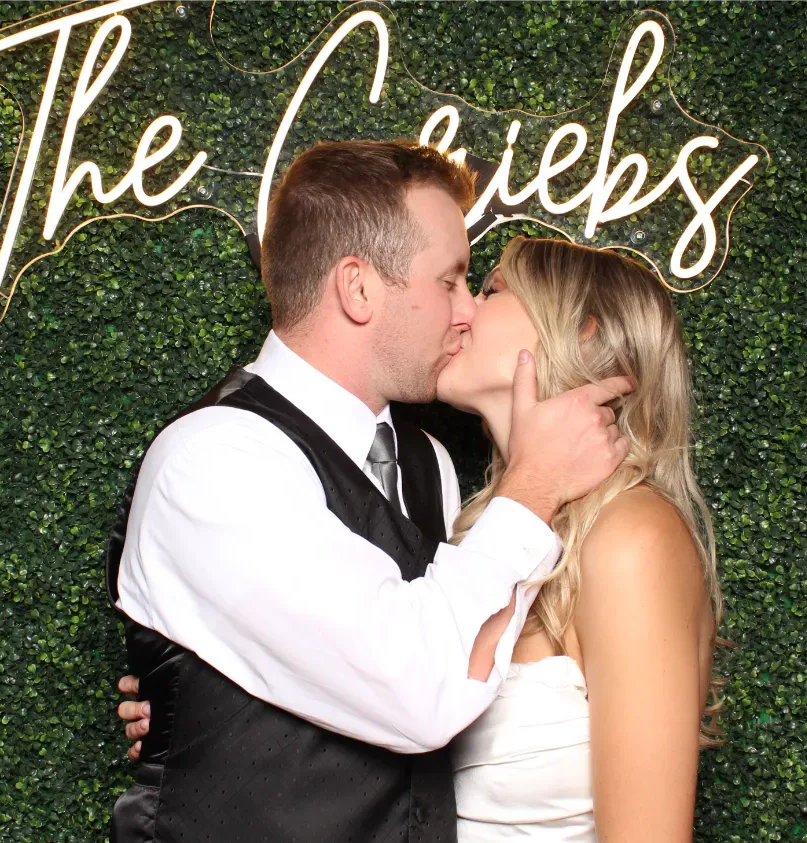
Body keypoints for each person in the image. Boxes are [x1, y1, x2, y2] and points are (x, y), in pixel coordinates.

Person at [105, 140, 634, 843]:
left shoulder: (431, 466)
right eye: (449, 281)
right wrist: (533, 482)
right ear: (357, 289)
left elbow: (454, 647)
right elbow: (417, 689)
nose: (467, 310)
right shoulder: (211, 460)